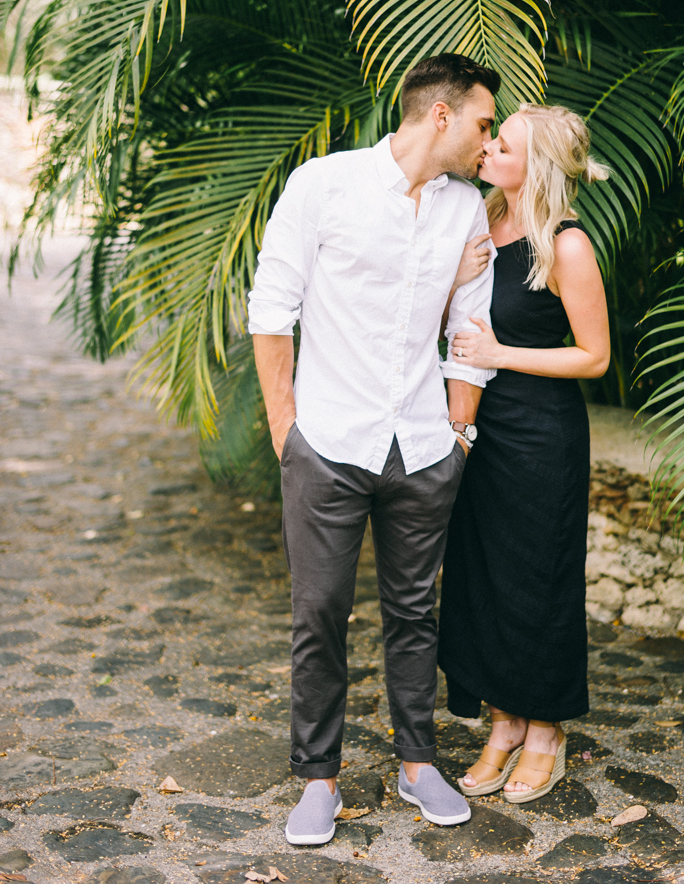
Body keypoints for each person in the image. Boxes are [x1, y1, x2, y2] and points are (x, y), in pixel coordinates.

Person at [247, 53, 501, 845]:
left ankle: (418, 763)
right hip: (327, 441)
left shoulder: (466, 209)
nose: (488, 142)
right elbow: (271, 306)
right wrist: (287, 431)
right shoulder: (324, 185)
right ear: (440, 115)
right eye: (483, 124)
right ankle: (318, 778)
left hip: (423, 444)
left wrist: (458, 433)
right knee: (319, 611)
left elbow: (470, 326)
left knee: (413, 612)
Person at [437, 102, 611, 803]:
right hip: (482, 431)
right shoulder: (482, 220)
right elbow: (454, 315)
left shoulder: (564, 245)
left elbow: (595, 356)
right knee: (483, 577)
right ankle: (504, 723)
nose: (485, 149)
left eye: (500, 144)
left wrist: (503, 353)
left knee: (538, 580)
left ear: (532, 164)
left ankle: (546, 733)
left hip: (543, 437)